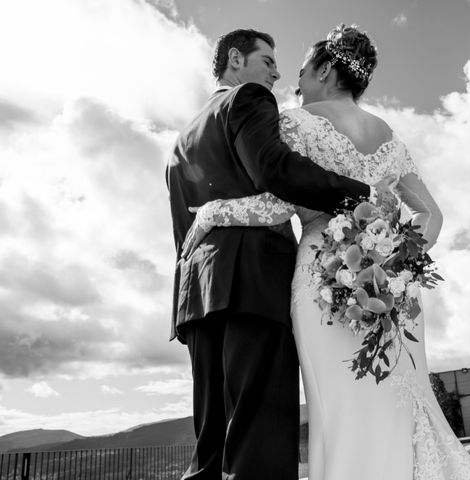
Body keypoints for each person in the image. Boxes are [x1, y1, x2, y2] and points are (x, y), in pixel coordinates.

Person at [183, 25, 470, 480]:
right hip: (392, 294)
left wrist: (213, 212)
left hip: (323, 282)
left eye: (303, 71)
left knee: (339, 406)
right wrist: (393, 263)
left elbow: (278, 204)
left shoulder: (297, 122)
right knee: (399, 400)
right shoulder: (389, 136)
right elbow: (432, 215)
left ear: (325, 70)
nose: (295, 80)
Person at [166, 29, 394, 480]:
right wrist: (361, 195)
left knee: (210, 447)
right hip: (253, 285)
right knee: (258, 444)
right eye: (267, 59)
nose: (276, 70)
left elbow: (184, 227)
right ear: (236, 60)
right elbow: (275, 170)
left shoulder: (180, 140)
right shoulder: (248, 99)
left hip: (196, 298)